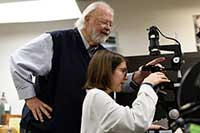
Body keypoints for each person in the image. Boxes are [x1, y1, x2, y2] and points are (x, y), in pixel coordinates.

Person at [10, 1, 166, 133]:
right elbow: (18, 61)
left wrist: (138, 77)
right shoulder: (56, 41)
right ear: (87, 19)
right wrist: (30, 98)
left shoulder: (102, 53)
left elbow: (107, 82)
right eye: (104, 22)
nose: (108, 27)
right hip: (45, 126)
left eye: (110, 24)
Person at [81, 50, 170, 133]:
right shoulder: (97, 96)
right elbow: (138, 122)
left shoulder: (95, 96)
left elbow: (113, 125)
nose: (126, 77)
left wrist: (146, 126)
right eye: (123, 71)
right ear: (107, 71)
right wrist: (147, 85)